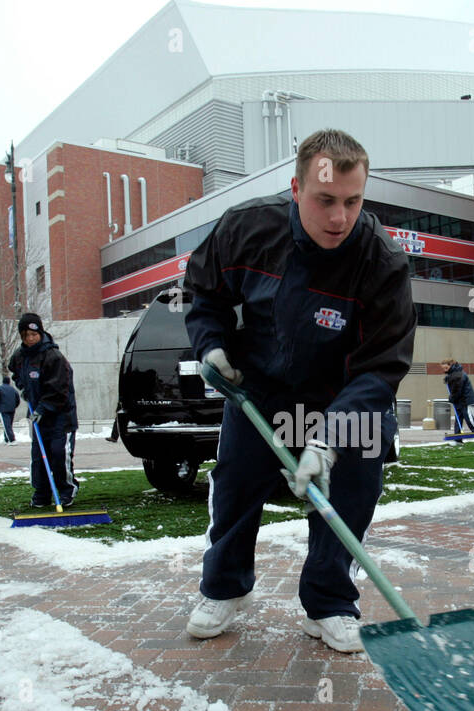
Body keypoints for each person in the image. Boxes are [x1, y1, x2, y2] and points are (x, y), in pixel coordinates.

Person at [182, 128, 414, 654]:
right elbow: (204, 292)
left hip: (343, 395)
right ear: (295, 187)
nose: (340, 218)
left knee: (351, 492)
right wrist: (211, 345)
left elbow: (381, 366)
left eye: (353, 202)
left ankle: (329, 602)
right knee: (235, 487)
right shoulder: (246, 229)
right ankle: (225, 588)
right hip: (259, 388)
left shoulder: (381, 262)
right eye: (325, 200)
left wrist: (328, 439)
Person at [7, 313, 77, 507]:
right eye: (26, 335)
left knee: (58, 454)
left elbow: (59, 389)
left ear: (40, 332)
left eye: (33, 334)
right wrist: (23, 387)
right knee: (39, 457)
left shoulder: (53, 356)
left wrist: (43, 408)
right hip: (39, 416)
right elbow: (14, 371)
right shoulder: (20, 356)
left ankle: (66, 490)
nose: (30, 339)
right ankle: (42, 492)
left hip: (61, 416)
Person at [441, 358, 474, 436]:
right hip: (459, 401)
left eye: (446, 368)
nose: (445, 370)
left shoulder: (457, 374)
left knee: (470, 420)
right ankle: (457, 438)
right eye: (443, 368)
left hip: (466, 401)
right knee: (458, 420)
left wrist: (452, 398)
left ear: (451, 365)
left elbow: (457, 390)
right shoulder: (452, 374)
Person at [0, 374, 21, 443]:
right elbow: (18, 399)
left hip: (3, 410)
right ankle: (6, 439)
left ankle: (12, 440)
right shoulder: (13, 389)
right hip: (12, 409)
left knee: (6, 425)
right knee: (9, 425)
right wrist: (14, 406)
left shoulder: (0, 388)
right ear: (9, 382)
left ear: (3, 381)